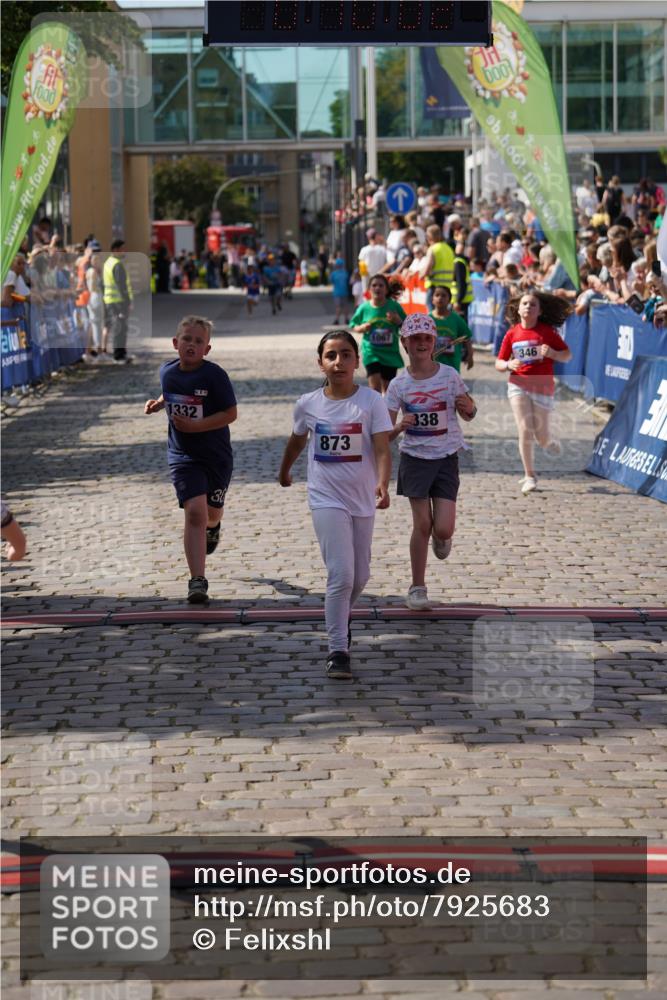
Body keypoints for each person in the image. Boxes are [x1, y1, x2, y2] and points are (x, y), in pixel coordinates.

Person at [278, 331, 392, 680]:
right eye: (331, 356)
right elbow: (297, 439)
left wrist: (383, 483)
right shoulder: (308, 403)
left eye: (345, 355)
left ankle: (340, 618)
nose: (338, 362)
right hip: (325, 497)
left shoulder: (372, 402)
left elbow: (383, 448)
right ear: (321, 363)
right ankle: (338, 650)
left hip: (362, 498)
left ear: (357, 361)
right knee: (341, 574)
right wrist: (284, 470)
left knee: (361, 576)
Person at [386, 313, 476, 611]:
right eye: (415, 339)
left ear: (434, 342)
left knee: (444, 528)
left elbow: (468, 410)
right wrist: (400, 426)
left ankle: (442, 537)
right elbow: (384, 434)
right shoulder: (398, 385)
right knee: (421, 524)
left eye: (426, 338)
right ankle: (417, 587)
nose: (421, 343)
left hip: (446, 456)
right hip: (414, 458)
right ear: (405, 343)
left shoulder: (449, 375)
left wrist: (469, 408)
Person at [144, 316, 237, 604]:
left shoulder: (215, 376)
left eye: (198, 341)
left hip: (216, 456)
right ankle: (198, 580)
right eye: (187, 339)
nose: (191, 345)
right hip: (183, 455)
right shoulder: (167, 371)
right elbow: (170, 391)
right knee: (194, 512)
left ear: (207, 349)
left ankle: (214, 526)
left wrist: (197, 426)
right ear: (176, 343)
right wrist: (160, 403)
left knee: (211, 513)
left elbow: (230, 413)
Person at [496, 292, 572, 495]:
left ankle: (549, 441)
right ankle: (530, 476)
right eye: (525, 303)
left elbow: (567, 355)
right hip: (518, 384)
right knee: (525, 428)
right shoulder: (512, 334)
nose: (528, 306)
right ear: (518, 309)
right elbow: (499, 362)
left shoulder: (546, 332)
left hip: (543, 387)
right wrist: (508, 364)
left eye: (533, 304)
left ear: (539, 311)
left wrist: (553, 354)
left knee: (541, 436)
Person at [349, 273, 406, 395]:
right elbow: (353, 325)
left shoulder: (394, 306)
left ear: (386, 289)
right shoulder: (364, 308)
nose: (377, 288)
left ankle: (386, 413)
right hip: (371, 352)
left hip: (390, 353)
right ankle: (375, 412)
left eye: (381, 285)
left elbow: (407, 326)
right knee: (375, 390)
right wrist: (362, 328)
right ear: (369, 289)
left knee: (389, 390)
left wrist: (398, 321)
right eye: (374, 285)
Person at [429, 285, 473, 372]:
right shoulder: (428, 319)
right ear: (432, 299)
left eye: (444, 295)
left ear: (449, 299)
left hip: (452, 366)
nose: (440, 298)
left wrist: (470, 356)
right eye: (437, 295)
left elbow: (467, 338)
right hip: (431, 366)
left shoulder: (456, 319)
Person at [103, 238, 134, 363]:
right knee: (120, 328)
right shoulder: (116, 264)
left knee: (119, 327)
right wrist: (127, 302)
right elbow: (122, 286)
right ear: (115, 250)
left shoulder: (108, 263)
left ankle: (122, 353)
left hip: (111, 301)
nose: (124, 251)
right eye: (122, 249)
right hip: (118, 302)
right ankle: (119, 355)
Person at [420, 224, 455, 310]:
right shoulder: (448, 249)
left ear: (429, 237)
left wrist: (421, 275)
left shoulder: (433, 249)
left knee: (432, 314)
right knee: (445, 313)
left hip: (435, 288)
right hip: (448, 287)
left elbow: (427, 270)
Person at [330, 257, 350, 325]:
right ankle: (346, 319)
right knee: (345, 306)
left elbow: (331, 281)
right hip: (345, 292)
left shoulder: (333, 274)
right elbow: (348, 281)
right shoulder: (345, 273)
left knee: (338, 307)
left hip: (336, 293)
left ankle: (337, 320)